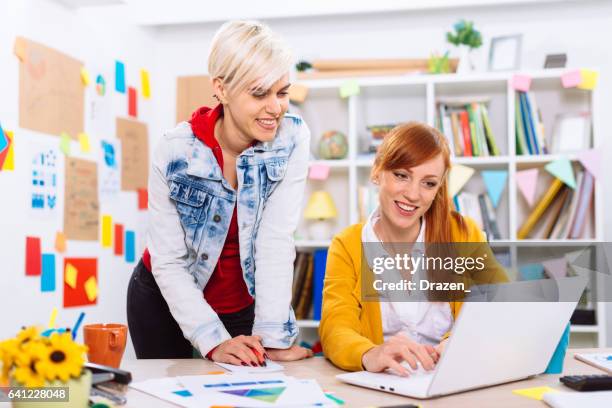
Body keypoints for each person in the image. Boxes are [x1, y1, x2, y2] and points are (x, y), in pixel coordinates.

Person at [127, 20, 313, 366]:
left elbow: (275, 240)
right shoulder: (174, 151)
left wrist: (272, 337)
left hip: (240, 304)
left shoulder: (292, 139)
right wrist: (212, 341)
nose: (275, 107)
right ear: (222, 89)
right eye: (259, 93)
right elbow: (168, 261)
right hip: (164, 299)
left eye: (282, 92)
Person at [320, 122, 554, 375]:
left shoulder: (463, 235)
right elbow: (335, 327)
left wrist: (459, 341)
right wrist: (370, 353)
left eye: (428, 183)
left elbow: (503, 302)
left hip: (454, 380)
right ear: (378, 172)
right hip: (383, 383)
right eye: (402, 175)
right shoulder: (347, 245)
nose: (413, 194)